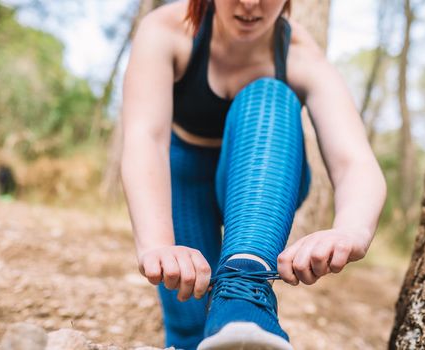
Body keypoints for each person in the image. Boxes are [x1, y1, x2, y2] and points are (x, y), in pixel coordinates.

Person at [120, 0, 387, 349]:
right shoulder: (167, 29)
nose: (249, 3)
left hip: (265, 181)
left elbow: (356, 162)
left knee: (268, 94)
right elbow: (146, 140)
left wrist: (353, 229)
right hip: (182, 182)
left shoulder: (299, 53)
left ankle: (245, 289)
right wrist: (156, 245)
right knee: (191, 326)